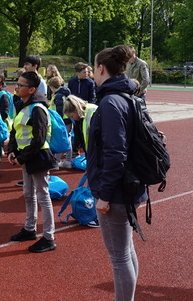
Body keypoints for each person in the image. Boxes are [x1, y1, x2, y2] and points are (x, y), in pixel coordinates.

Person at [87, 44, 145, 301]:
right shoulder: (132, 96)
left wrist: (104, 194)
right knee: (126, 250)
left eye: (94, 69)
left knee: (119, 256)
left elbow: (114, 153)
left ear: (101, 68)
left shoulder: (110, 102)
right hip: (131, 183)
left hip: (117, 189)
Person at [7, 71, 57, 253]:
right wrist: (12, 150)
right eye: (17, 84)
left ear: (32, 89)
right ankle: (30, 229)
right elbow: (15, 130)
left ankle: (49, 237)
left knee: (43, 195)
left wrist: (20, 157)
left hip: (39, 158)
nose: (17, 87)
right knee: (28, 194)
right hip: (27, 157)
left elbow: (39, 139)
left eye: (20, 85)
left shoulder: (38, 109)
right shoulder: (23, 105)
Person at [47, 76, 72, 168]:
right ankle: (68, 160)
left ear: (52, 87)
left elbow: (59, 110)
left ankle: (56, 162)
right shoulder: (65, 93)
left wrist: (58, 121)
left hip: (62, 121)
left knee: (60, 140)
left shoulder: (58, 96)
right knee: (67, 139)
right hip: (67, 120)